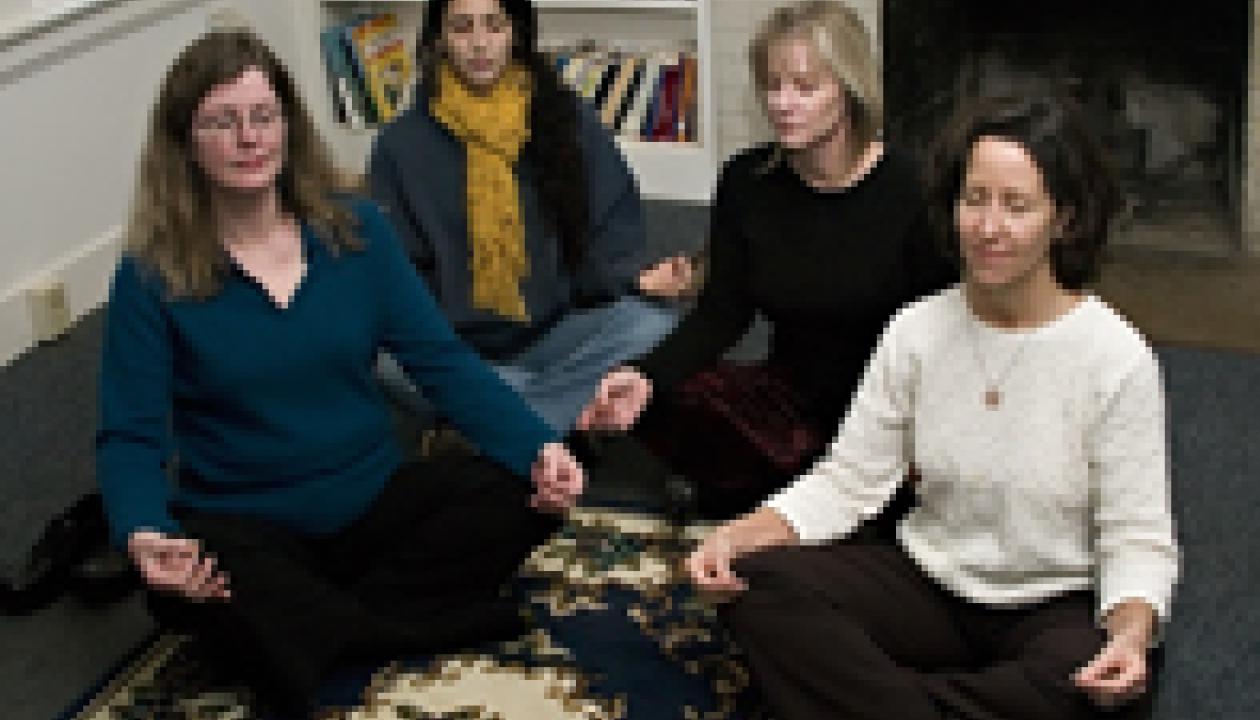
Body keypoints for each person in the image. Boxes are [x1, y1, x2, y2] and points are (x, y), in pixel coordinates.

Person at [96, 29, 584, 717]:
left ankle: (324, 632)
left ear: (289, 125)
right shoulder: (150, 275)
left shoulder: (355, 230)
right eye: (220, 122)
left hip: (370, 502)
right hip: (250, 522)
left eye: (263, 116)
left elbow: (440, 363)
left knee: (520, 485)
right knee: (188, 577)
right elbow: (130, 436)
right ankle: (397, 625)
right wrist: (144, 530)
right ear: (185, 142)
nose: (248, 138)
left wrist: (539, 447)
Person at [683, 87, 1181, 720]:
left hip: (1054, 604)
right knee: (759, 587)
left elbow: (1138, 536)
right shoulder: (916, 329)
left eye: (1016, 205)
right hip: (929, 582)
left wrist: (1132, 635)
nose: (989, 227)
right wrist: (743, 533)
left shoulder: (1116, 357)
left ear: (1066, 219)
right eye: (974, 199)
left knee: (1089, 681)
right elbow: (850, 479)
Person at [578, 0, 955, 517]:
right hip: (786, 404)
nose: (782, 103)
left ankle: (802, 493)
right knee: (655, 393)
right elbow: (720, 314)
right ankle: (797, 489)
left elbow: (942, 335)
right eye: (772, 85)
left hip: (886, 408)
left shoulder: (912, 189)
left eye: (804, 87)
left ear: (848, 90)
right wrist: (644, 375)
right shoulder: (746, 181)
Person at [367, 0, 692, 439]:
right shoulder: (399, 145)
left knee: (653, 324)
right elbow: (394, 280)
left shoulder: (565, 117)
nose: (480, 44)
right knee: (381, 359)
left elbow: (608, 230)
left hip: (552, 334)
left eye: (494, 25)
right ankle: (551, 420)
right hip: (452, 352)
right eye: (462, 28)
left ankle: (499, 426)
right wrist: (449, 360)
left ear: (515, 32)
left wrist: (634, 279)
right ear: (438, 39)